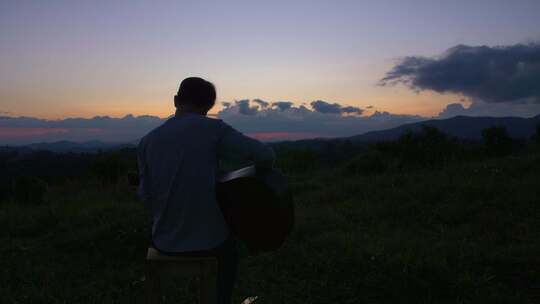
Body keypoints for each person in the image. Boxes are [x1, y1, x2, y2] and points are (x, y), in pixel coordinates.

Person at [137, 77, 275, 304]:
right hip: (210, 244)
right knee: (230, 252)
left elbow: (145, 196)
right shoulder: (214, 129)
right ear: (209, 105)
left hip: (164, 242)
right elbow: (265, 155)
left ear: (175, 101)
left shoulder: (147, 141)